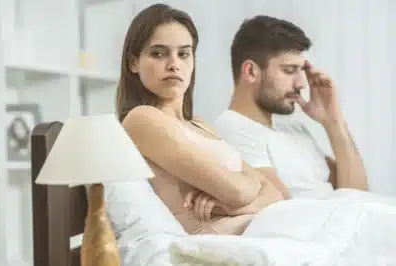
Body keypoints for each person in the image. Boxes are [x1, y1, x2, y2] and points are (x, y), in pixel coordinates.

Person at [115, 4, 284, 235]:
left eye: (183, 53)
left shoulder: (200, 125)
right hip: (218, 238)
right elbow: (237, 192)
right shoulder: (141, 118)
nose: (174, 64)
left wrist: (234, 206)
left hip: (250, 227)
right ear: (133, 62)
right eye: (158, 53)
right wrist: (247, 190)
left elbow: (274, 194)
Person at [211, 15, 370, 200]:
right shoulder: (233, 129)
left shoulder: (294, 129)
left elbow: (358, 195)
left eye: (302, 70)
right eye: (289, 70)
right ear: (251, 71)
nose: (302, 83)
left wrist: (333, 121)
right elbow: (279, 210)